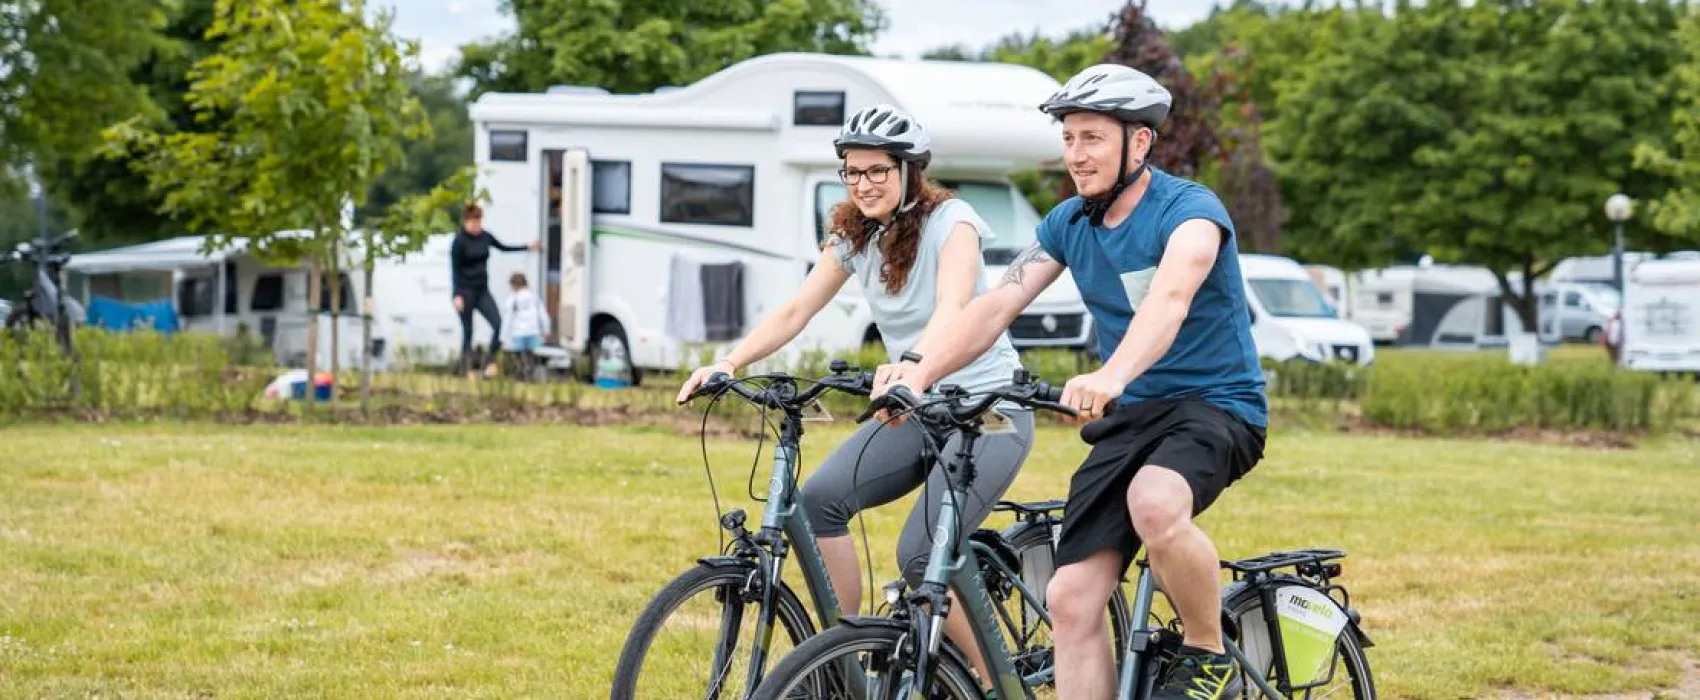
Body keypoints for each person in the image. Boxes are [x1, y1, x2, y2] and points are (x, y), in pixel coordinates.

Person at [878, 64, 1268, 700]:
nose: (1077, 155)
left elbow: (1169, 300)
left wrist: (1112, 374)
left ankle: (1207, 651)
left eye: (1092, 138)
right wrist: (922, 370)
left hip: (1215, 407)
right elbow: (997, 303)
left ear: (1138, 143)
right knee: (1070, 597)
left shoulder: (1192, 211)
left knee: (1154, 505)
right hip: (1130, 416)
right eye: (1069, 138)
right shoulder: (1067, 223)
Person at [675, 103, 1034, 692]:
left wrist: (915, 365)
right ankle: (844, 657)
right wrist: (729, 361)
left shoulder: (955, 221)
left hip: (985, 411)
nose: (863, 183)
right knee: (817, 503)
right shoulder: (853, 232)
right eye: (852, 171)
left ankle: (991, 682)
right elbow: (797, 308)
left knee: (921, 555)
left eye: (877, 171)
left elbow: (953, 309)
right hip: (913, 405)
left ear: (908, 170)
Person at [451, 202, 539, 378]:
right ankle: (466, 369)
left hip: (482, 289)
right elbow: (454, 270)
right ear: (465, 222)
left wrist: (527, 247)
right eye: (473, 222)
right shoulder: (459, 242)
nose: (476, 225)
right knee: (468, 331)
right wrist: (457, 295)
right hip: (465, 291)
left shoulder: (485, 237)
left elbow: (503, 247)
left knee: (499, 324)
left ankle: (490, 361)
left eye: (479, 221)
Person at [505, 272, 550, 377]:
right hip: (532, 331)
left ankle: (520, 372)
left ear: (514, 285)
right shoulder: (534, 297)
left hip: (518, 332)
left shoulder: (512, 299)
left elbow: (508, 318)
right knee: (530, 354)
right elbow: (543, 314)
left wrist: (504, 336)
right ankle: (529, 372)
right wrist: (546, 328)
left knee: (518, 355)